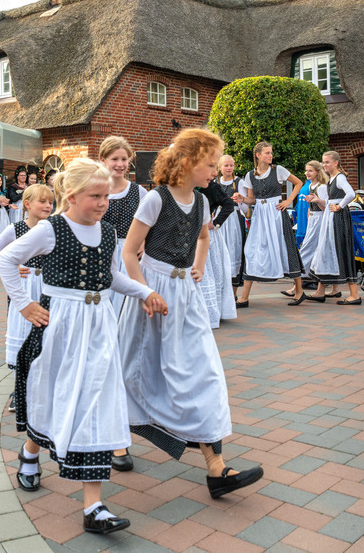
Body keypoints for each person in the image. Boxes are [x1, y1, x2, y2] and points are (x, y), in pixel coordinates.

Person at [0, 159, 166, 535]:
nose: (104, 202)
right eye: (96, 196)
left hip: (99, 326)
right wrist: (24, 303)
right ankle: (30, 452)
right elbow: (6, 257)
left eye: (106, 195)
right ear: (71, 196)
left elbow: (112, 277)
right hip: (60, 324)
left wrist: (146, 291)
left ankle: (94, 506)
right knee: (53, 396)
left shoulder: (107, 231)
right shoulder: (50, 229)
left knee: (96, 401)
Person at [118, 129, 264, 500]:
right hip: (153, 293)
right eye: (210, 164)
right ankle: (117, 437)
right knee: (138, 370)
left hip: (186, 295)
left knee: (204, 372)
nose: (214, 171)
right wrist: (145, 291)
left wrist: (198, 267)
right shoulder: (155, 199)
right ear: (187, 163)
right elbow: (129, 252)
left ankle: (217, 469)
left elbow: (203, 237)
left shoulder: (201, 201)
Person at [0, 184, 55, 413]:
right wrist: (14, 265)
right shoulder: (16, 228)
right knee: (23, 332)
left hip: (46, 286)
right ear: (27, 204)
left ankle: (41, 387)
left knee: (44, 334)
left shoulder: (53, 228)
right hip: (24, 286)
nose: (48, 206)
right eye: (43, 202)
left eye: (50, 202)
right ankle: (19, 389)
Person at [236, 142, 306, 307]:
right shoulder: (250, 175)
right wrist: (242, 198)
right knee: (252, 250)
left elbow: (298, 183)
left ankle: (299, 291)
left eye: (271, 153)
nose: (270, 155)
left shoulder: (278, 170)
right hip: (260, 214)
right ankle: (244, 297)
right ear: (258, 155)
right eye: (267, 153)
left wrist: (288, 201)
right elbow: (251, 199)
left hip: (276, 212)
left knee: (287, 248)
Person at [99, 136, 148, 316]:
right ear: (103, 160)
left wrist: (142, 241)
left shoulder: (139, 192)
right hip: (100, 251)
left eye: (124, 159)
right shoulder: (94, 189)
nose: (120, 164)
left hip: (129, 253)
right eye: (114, 159)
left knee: (126, 308)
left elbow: (149, 223)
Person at [308, 151, 362, 305]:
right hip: (331, 218)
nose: (325, 165)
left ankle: (354, 294)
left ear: (336, 163)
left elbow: (351, 194)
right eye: (323, 162)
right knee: (325, 250)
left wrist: (339, 206)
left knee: (340, 250)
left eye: (327, 162)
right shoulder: (332, 179)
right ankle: (320, 290)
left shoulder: (340, 178)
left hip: (338, 219)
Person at [199, 175, 238, 328]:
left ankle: (213, 311)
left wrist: (215, 223)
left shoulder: (212, 187)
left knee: (210, 271)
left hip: (207, 234)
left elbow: (229, 204)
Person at [216, 155, 246, 296]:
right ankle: (221, 290)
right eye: (226, 165)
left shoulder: (238, 182)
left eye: (231, 165)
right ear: (220, 167)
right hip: (218, 220)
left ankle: (233, 294)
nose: (229, 168)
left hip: (233, 219)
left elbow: (246, 207)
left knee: (234, 251)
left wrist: (241, 200)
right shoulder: (215, 182)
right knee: (219, 252)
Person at [293, 161, 327, 288]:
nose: (307, 173)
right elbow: (311, 205)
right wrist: (309, 211)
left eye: (310, 171)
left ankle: (298, 281)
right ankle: (305, 280)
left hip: (319, 220)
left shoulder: (321, 187)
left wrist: (317, 201)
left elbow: (325, 207)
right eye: (306, 170)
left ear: (317, 172)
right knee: (312, 249)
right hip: (312, 219)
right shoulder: (311, 186)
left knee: (307, 249)